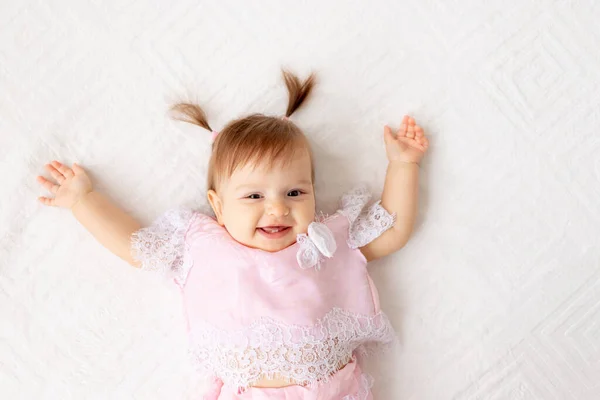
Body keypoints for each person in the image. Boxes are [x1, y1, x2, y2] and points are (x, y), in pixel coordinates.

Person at [36, 70, 429, 399]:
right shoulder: (200, 245)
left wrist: (403, 166)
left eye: (295, 192)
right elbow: (136, 247)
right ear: (218, 206)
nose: (276, 208)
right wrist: (83, 200)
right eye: (254, 195)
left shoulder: (328, 239)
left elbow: (392, 230)